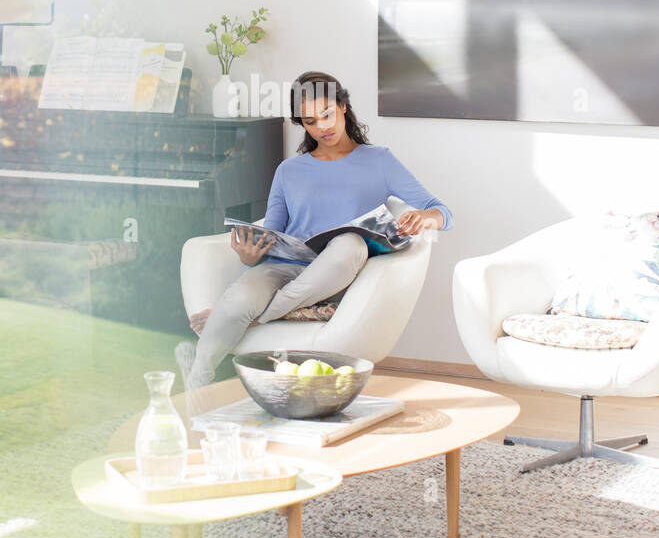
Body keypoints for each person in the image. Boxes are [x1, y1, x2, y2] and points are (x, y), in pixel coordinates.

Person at [176, 70, 453, 391]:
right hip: (284, 267)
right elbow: (272, 234)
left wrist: (424, 218)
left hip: (335, 275)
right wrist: (249, 256)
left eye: (327, 114)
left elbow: (443, 212)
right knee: (239, 298)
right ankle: (199, 376)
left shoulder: (379, 161)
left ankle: (248, 317)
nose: (322, 127)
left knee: (350, 243)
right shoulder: (289, 170)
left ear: (343, 107)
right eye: (310, 121)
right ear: (302, 125)